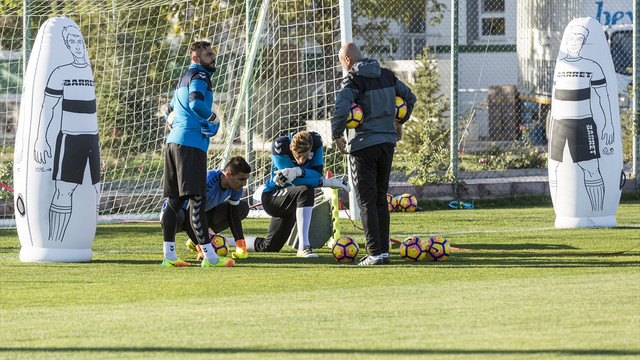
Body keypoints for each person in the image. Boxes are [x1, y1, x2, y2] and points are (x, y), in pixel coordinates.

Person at [331, 42, 416, 265]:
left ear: (347, 60)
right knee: (380, 198)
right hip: (387, 144)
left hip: (363, 146)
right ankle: (383, 252)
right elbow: (411, 98)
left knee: (366, 201)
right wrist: (399, 121)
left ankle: (375, 253)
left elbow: (341, 108)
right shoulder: (387, 75)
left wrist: (337, 134)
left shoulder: (353, 79)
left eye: (342, 62)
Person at [160, 40, 233, 267]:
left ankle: (169, 257)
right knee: (197, 201)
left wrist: (180, 126)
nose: (213, 57)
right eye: (208, 54)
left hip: (174, 143)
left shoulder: (183, 78)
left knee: (175, 200)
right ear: (196, 59)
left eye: (213, 53)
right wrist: (214, 119)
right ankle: (210, 258)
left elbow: (168, 113)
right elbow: (195, 104)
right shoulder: (200, 77)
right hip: (190, 145)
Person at [33, 24, 100, 242]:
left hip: (93, 139)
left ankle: (77, 243)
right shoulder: (60, 73)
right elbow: (48, 107)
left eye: (79, 41)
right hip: (71, 139)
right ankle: (55, 243)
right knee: (63, 191)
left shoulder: (88, 73)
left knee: (95, 191)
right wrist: (41, 139)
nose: (78, 46)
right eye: (72, 42)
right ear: (68, 46)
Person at [249, 130, 349, 257]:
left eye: (305, 157)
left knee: (269, 247)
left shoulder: (316, 140)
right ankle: (304, 246)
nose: (301, 161)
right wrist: (326, 182)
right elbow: (294, 182)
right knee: (305, 189)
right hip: (273, 196)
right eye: (297, 157)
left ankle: (229, 242)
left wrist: (298, 170)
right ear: (291, 147)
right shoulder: (280, 146)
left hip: (293, 202)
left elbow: (317, 173)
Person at [549, 24, 614, 212]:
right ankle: (562, 212)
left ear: (583, 42)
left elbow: (603, 96)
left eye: (578, 39)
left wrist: (608, 124)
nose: (573, 42)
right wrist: (552, 125)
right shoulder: (561, 65)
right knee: (554, 168)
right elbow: (554, 97)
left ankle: (598, 213)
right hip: (560, 124)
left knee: (591, 168)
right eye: (570, 39)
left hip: (583, 123)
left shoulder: (592, 66)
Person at [160, 156, 254, 261]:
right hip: (177, 216)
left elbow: (234, 215)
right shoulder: (207, 182)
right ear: (227, 175)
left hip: (199, 214)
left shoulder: (236, 188)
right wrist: (203, 249)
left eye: (246, 179)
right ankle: (171, 250)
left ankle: (203, 237)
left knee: (242, 208)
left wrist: (240, 245)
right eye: (241, 179)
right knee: (180, 217)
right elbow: (189, 216)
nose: (244, 183)